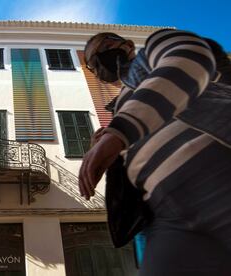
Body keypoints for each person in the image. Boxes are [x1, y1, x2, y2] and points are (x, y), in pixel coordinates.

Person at [79, 29, 231, 275]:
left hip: (216, 177)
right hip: (167, 209)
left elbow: (188, 57)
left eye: (99, 52)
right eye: (92, 65)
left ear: (126, 44)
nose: (97, 64)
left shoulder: (155, 50)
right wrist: (110, 148)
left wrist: (118, 132)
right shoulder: (122, 104)